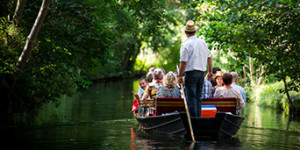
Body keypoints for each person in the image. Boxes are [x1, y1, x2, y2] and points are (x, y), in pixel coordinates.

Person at [177, 20, 213, 117]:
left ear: (185, 32)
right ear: (195, 31)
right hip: (201, 73)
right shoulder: (203, 43)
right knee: (198, 98)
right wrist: (210, 71)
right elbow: (209, 58)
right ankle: (198, 119)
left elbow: (184, 62)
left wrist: (180, 75)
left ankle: (194, 121)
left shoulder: (185, 45)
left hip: (191, 74)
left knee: (191, 98)